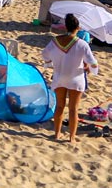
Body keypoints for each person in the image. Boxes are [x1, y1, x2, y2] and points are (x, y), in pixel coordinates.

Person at [41, 13, 98, 143]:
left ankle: (57, 134)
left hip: (59, 76)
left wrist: (50, 62)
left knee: (60, 106)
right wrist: (90, 68)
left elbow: (44, 54)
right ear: (77, 27)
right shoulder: (82, 44)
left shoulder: (55, 41)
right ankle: (72, 137)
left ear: (65, 27)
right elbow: (93, 62)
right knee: (73, 109)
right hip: (76, 78)